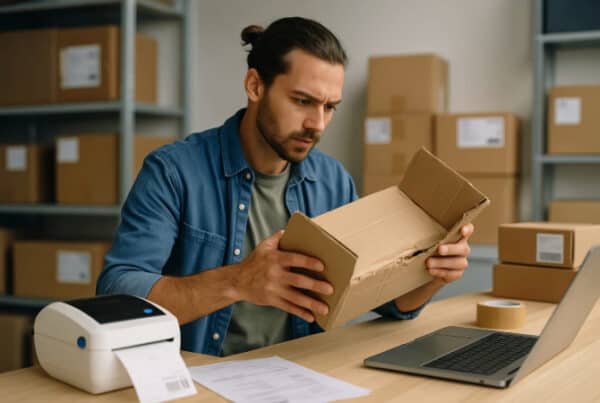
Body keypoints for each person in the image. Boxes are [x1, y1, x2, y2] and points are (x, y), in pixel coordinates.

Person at [96, 17, 474, 356]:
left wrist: (432, 274)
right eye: (303, 101)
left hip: (298, 377)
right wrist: (238, 281)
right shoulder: (173, 171)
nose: (318, 124)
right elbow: (117, 290)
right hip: (198, 379)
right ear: (255, 85)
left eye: (329, 107)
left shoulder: (332, 181)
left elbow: (386, 303)